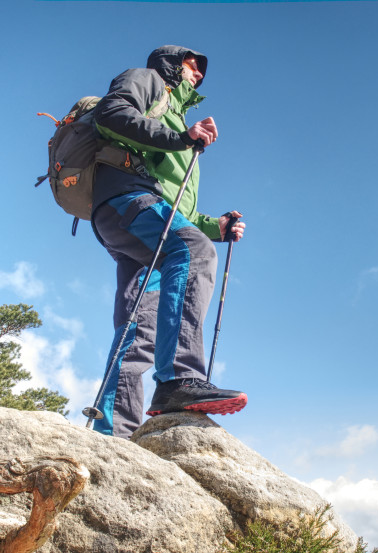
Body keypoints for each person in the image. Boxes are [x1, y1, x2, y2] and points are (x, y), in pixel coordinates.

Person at [89, 45, 247, 438]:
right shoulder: (148, 82)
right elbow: (111, 114)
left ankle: (114, 435)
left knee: (138, 330)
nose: (199, 76)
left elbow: (179, 211)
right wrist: (180, 137)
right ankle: (178, 378)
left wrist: (217, 227)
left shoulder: (176, 119)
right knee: (194, 252)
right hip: (127, 198)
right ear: (175, 64)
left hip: (140, 215)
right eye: (195, 67)